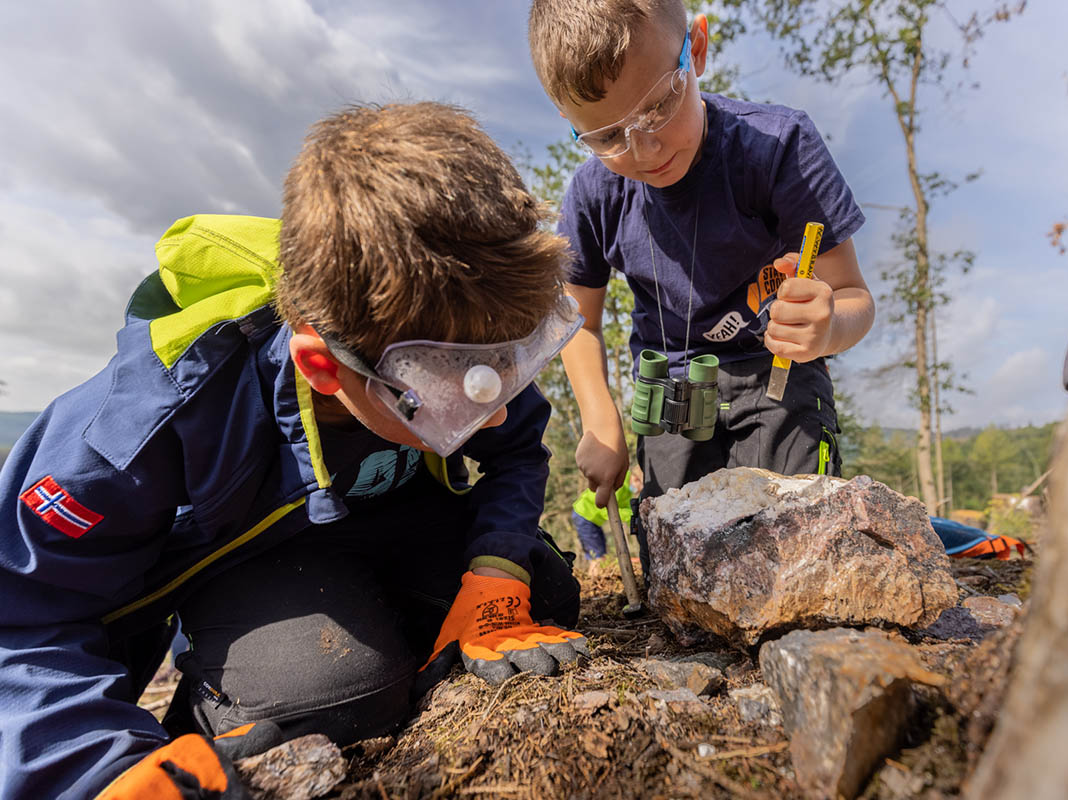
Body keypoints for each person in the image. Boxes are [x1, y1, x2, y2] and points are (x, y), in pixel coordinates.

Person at [0, 102, 588, 799]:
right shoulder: (145, 428)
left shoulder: (461, 333)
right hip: (250, 560)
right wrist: (95, 766)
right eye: (451, 390)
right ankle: (220, 713)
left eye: (510, 367)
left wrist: (496, 571)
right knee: (333, 694)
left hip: (382, 518)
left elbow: (516, 450)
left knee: (544, 589)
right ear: (322, 366)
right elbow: (21, 612)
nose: (490, 414)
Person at [526, 1, 874, 520]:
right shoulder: (594, 195)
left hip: (776, 373)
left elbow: (853, 298)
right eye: (606, 137)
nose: (642, 150)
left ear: (698, 50)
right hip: (668, 390)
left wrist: (827, 331)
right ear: (568, 119)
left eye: (657, 107)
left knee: (797, 530)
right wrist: (600, 421)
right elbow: (579, 322)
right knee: (675, 546)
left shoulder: (779, 149)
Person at [570, 468, 640, 574]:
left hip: (592, 520)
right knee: (597, 556)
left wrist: (636, 518)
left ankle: (595, 582)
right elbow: (607, 510)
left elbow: (625, 507)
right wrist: (633, 516)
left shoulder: (627, 489)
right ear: (635, 479)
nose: (640, 490)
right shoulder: (619, 485)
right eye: (641, 486)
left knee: (601, 554)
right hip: (585, 516)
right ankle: (593, 585)